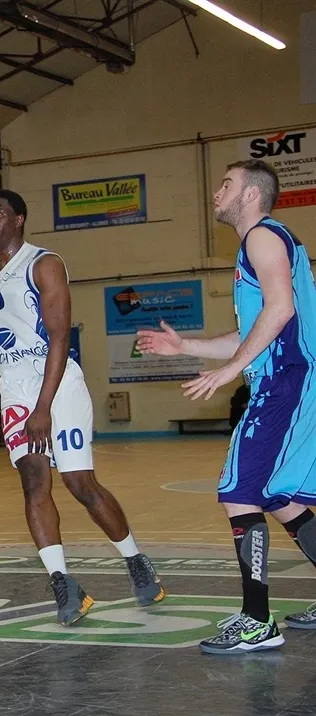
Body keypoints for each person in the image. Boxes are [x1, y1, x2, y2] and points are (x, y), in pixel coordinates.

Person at [137, 159, 316, 653]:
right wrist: (187, 347)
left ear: (251, 194)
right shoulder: (267, 242)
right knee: (277, 495)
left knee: (239, 491)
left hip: (285, 382)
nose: (217, 192)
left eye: (226, 184)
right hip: (291, 378)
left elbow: (280, 310)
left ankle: (257, 622)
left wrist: (232, 370)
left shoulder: (261, 235)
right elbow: (256, 330)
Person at [0, 189, 165, 627]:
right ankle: (63, 582)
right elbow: (0, 339)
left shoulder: (44, 264)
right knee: (33, 483)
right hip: (17, 389)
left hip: (57, 385)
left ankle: (135, 560)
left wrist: (44, 407)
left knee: (80, 484)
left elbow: (60, 337)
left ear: (19, 219)